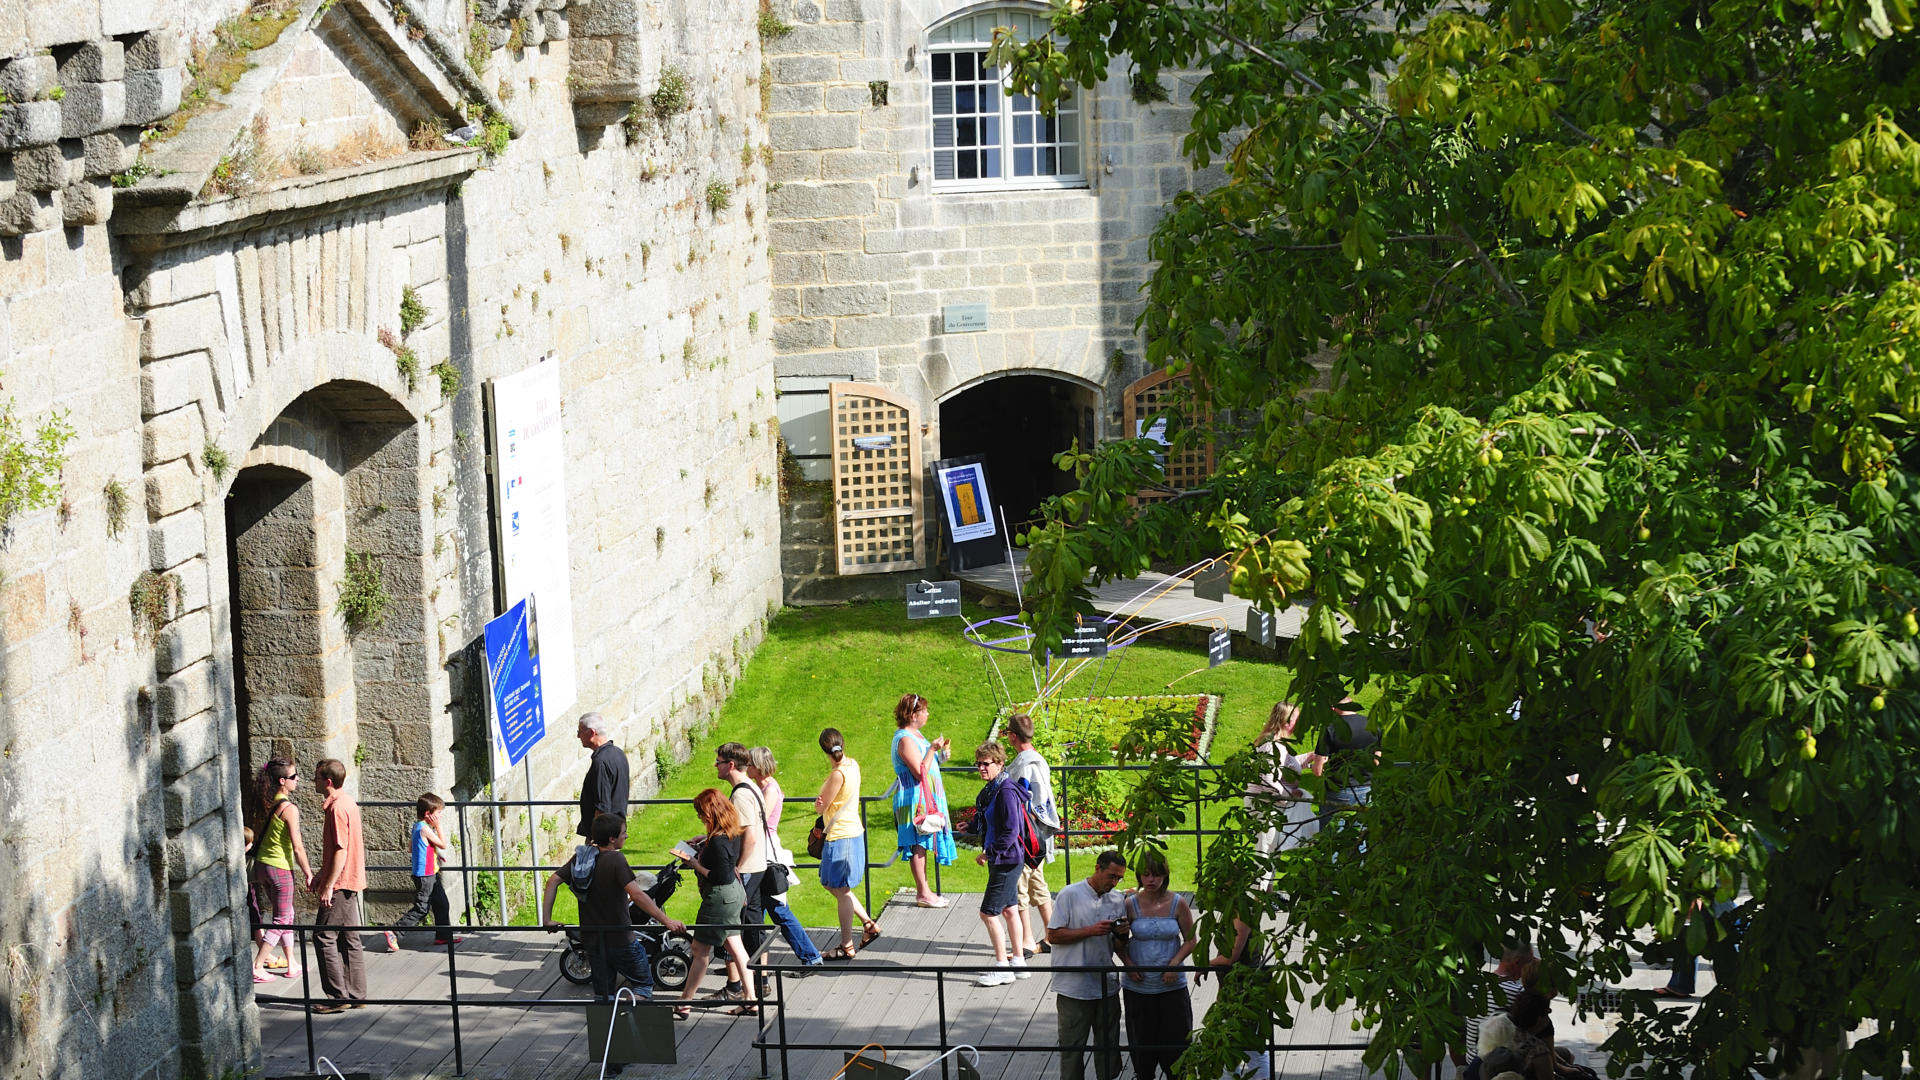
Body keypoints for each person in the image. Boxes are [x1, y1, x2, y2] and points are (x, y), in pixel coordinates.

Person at [541, 811, 687, 1001]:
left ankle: (606, 1025)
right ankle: (628, 1024)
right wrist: (667, 920)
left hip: (592, 940)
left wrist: (547, 920)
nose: (626, 836)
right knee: (643, 985)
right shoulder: (616, 860)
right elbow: (637, 895)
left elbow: (552, 882)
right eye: (623, 832)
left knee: (604, 994)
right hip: (620, 939)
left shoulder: (581, 858)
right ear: (612, 839)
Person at [674, 788, 756, 1019]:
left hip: (720, 898)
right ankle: (751, 1000)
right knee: (737, 948)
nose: (700, 817)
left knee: (700, 950)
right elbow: (725, 856)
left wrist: (693, 862)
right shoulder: (730, 833)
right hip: (734, 896)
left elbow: (721, 876)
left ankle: (684, 1002)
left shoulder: (718, 842)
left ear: (711, 813)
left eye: (701, 813)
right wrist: (703, 841)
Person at [1115, 849, 1197, 1079]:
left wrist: (1175, 963)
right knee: (1142, 1049)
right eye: (1146, 874)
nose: (1151, 880)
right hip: (1138, 987)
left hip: (1172, 986)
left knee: (1177, 1047)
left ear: (1165, 876)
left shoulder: (1178, 903)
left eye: (1156, 875)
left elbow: (1191, 940)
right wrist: (1129, 964)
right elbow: (1118, 943)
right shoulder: (1130, 904)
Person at [1047, 850, 1128, 1080]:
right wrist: (1089, 931)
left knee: (1109, 1046)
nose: (1114, 882)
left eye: (1119, 878)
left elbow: (1118, 946)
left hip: (1106, 985)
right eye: (1111, 876)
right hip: (1073, 988)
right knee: (1072, 1048)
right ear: (1097, 868)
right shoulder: (1069, 894)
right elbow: (1053, 936)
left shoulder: (1117, 899)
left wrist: (1122, 934)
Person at [746, 746, 824, 969]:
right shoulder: (761, 787)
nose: (747, 768)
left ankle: (811, 957)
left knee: (777, 909)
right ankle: (747, 961)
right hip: (760, 853)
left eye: (750, 764)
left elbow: (760, 821)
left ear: (759, 766)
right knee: (754, 913)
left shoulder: (769, 790)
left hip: (766, 855)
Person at [814, 727, 881, 958]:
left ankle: (846, 945)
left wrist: (819, 804)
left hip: (840, 836)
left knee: (840, 889)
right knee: (833, 884)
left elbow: (821, 805)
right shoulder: (853, 765)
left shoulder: (837, 774)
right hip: (852, 832)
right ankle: (867, 924)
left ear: (824, 750)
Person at [969, 742, 1032, 986]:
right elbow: (990, 818)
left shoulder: (1005, 791)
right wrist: (972, 827)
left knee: (988, 913)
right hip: (1008, 859)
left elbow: (1010, 830)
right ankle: (1018, 961)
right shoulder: (993, 789)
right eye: (979, 764)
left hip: (1005, 860)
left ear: (1000, 764)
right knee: (1009, 909)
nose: (981, 768)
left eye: (986, 764)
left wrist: (988, 853)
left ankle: (1002, 966)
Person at [308, 759, 367, 1013]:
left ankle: (337, 996)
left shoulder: (336, 809)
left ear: (328, 781)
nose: (314, 782)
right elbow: (339, 850)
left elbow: (341, 851)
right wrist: (322, 873)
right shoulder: (348, 802)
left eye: (317, 778)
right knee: (350, 938)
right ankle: (357, 993)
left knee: (323, 936)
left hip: (342, 883)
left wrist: (328, 884)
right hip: (351, 879)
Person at [249, 759, 313, 984]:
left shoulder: (268, 802)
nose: (298, 780)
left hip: (263, 866)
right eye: (294, 777)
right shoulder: (289, 808)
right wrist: (308, 872)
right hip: (280, 867)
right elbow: (297, 846)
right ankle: (258, 965)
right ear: (283, 781)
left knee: (288, 914)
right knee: (282, 918)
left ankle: (291, 962)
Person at [714, 742, 769, 1000]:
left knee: (731, 924)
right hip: (758, 867)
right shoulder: (754, 788)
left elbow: (750, 836)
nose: (716, 766)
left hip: (747, 869)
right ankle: (762, 981)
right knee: (754, 924)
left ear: (731, 765)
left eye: (719, 762)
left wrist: (736, 865)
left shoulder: (740, 794)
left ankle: (736, 986)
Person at [890, 693, 955, 907]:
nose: (927, 714)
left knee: (924, 843)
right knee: (918, 844)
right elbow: (920, 771)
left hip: (926, 795)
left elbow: (929, 764)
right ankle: (923, 893)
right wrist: (932, 749)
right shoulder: (905, 739)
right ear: (912, 714)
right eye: (924, 711)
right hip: (914, 797)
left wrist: (940, 755)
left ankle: (926, 891)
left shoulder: (916, 735)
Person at [1002, 712, 1058, 956]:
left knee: (1019, 887)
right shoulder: (1035, 759)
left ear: (1013, 736)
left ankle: (1026, 941)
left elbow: (1032, 801)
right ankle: (1054, 936)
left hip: (1027, 838)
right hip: (1037, 838)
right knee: (1037, 884)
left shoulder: (1027, 764)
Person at [1246, 702, 1325, 857]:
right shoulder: (1272, 745)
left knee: (1272, 849)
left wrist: (1308, 758)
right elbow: (1268, 779)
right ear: (1286, 722)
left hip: (1270, 803)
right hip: (1265, 805)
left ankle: (1266, 881)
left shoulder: (1277, 744)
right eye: (1297, 720)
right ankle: (1261, 882)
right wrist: (1289, 795)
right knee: (1265, 851)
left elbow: (1283, 766)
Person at [387, 793, 459, 948]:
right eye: (438, 813)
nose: (440, 816)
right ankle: (395, 931)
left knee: (442, 903)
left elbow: (410, 848)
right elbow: (443, 844)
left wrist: (434, 855)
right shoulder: (425, 829)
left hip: (432, 872)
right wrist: (438, 827)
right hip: (425, 875)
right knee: (422, 908)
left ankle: (443, 936)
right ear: (428, 814)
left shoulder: (417, 826)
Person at [576, 712, 630, 839]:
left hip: (605, 837)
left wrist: (596, 840)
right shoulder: (618, 753)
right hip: (616, 830)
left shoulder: (601, 763)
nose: (578, 736)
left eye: (580, 731)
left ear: (591, 732)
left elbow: (602, 807)